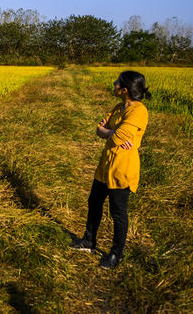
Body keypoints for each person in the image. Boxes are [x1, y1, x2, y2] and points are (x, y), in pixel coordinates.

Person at [71, 71, 151, 268]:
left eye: (117, 82)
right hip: (105, 166)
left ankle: (116, 254)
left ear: (124, 90)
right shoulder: (119, 107)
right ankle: (89, 241)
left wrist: (113, 134)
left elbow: (114, 138)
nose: (113, 84)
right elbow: (100, 128)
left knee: (118, 212)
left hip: (122, 169)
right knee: (94, 203)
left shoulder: (138, 111)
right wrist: (113, 132)